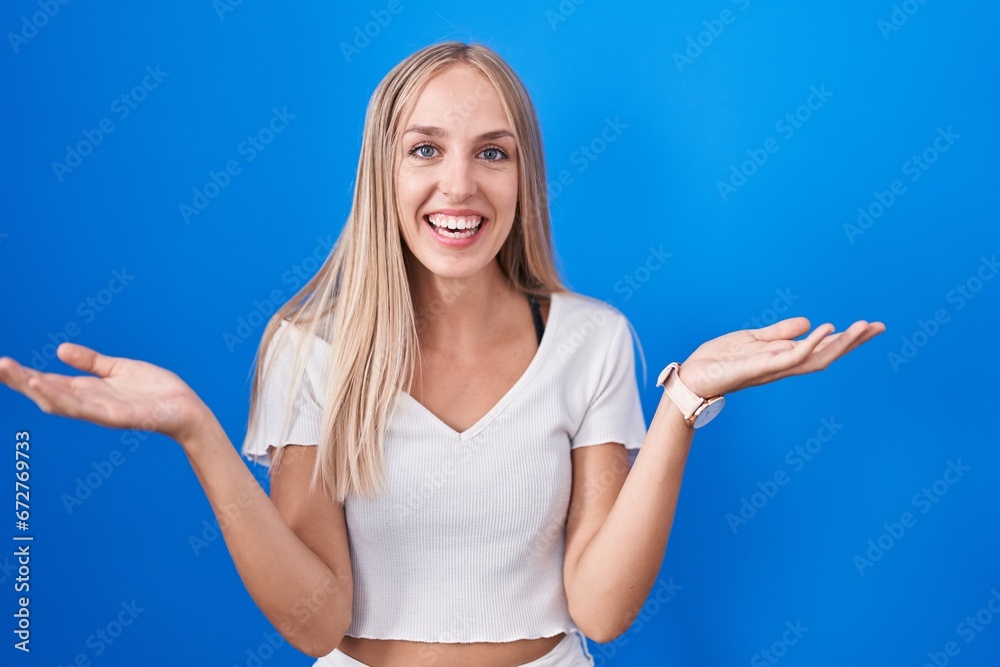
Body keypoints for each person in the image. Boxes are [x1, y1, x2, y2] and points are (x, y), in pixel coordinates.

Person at [0, 41, 884, 667]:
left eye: (490, 154)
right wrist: (198, 432)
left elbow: (603, 609)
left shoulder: (591, 339)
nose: (457, 186)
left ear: (522, 176)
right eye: (425, 149)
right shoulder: (308, 348)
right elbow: (317, 622)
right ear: (383, 170)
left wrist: (685, 401)